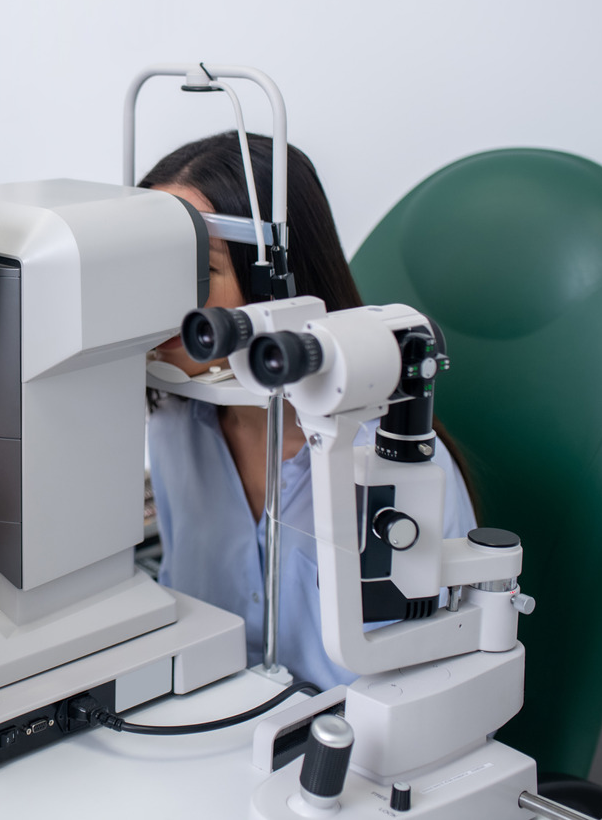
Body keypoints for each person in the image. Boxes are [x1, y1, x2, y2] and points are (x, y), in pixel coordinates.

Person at [139, 132, 476, 689]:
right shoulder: (176, 422)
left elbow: (436, 692)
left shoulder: (395, 466)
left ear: (279, 285)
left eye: (203, 267)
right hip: (206, 723)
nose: (165, 297)